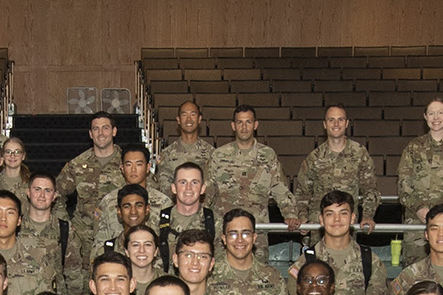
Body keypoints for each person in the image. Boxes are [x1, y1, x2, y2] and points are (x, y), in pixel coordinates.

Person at [206, 106, 300, 237]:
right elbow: (207, 192)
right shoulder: (219, 155)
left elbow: (279, 187)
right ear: (233, 126)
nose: (244, 127)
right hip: (225, 232)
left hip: (257, 231)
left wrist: (290, 213)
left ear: (255, 125)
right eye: (240, 122)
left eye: (248, 122)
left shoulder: (268, 155)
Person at [396, 100, 443, 262]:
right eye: (431, 113)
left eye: (440, 112)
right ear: (425, 116)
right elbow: (403, 184)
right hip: (416, 221)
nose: (436, 118)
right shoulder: (413, 147)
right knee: (414, 275)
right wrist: (419, 209)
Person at [294, 106, 379, 229]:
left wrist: (367, 216)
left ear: (346, 123)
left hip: (347, 225)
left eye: (340, 119)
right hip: (319, 227)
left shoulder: (360, 154)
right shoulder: (314, 157)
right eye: (331, 120)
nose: (336, 124)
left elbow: (370, 190)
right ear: (324, 124)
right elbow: (302, 194)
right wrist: (303, 218)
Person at [300, 194, 382, 295]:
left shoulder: (371, 261)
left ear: (352, 218)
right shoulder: (305, 261)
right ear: (321, 220)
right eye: (330, 214)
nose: (336, 219)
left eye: (343, 213)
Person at [54, 111, 125, 223]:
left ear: (114, 131)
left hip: (118, 233)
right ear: (91, 134)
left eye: (105, 128)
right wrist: (65, 225)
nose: (100, 133)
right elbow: (55, 194)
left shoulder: (128, 162)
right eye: (96, 129)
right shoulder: (77, 164)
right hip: (83, 236)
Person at [153, 99, 218, 198]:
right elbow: (163, 188)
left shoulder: (212, 154)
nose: (188, 120)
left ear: (199, 119)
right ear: (178, 120)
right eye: (184, 115)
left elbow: (213, 188)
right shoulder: (166, 154)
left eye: (193, 115)